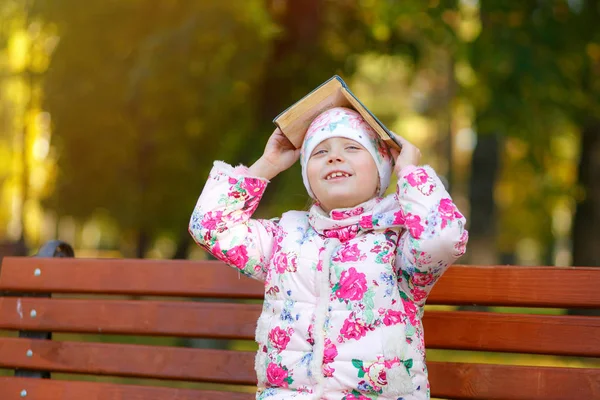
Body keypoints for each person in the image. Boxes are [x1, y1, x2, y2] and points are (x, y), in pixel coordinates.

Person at [189, 107, 468, 399]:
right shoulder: (285, 237)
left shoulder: (397, 239)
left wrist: (410, 172)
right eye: (319, 152)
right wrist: (268, 164)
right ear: (308, 179)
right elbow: (209, 226)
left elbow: (444, 239)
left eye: (352, 147)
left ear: (381, 170)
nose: (334, 156)